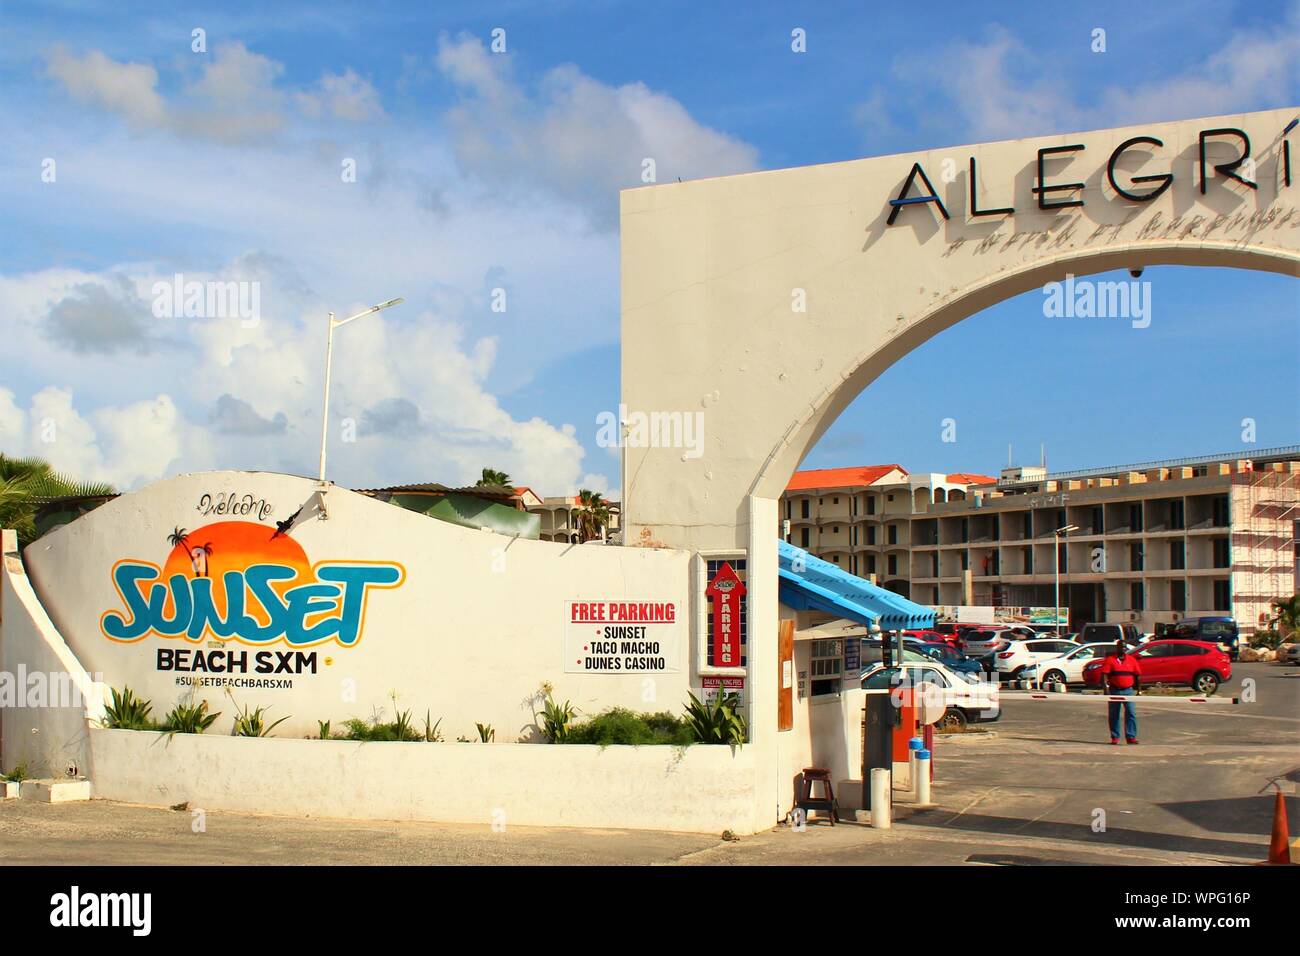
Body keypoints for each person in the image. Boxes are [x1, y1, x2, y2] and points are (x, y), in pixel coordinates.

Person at [1099, 639, 1141, 744]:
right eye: (1120, 647)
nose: (1122, 649)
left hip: (1128, 691)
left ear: (1126, 648)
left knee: (1131, 713)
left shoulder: (1131, 660)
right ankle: (1115, 737)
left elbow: (1137, 676)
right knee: (1114, 714)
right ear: (1117, 648)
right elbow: (1104, 675)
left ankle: (1131, 736)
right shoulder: (1110, 660)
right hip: (1115, 690)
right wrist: (1106, 690)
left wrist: (1139, 690)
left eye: (1124, 647)